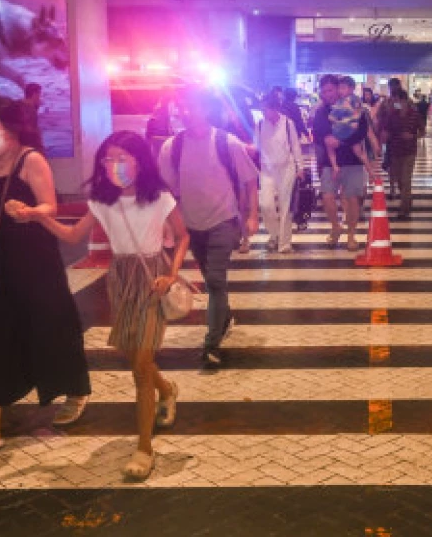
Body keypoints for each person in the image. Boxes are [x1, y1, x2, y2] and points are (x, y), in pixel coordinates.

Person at [32, 130, 189, 480]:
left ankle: (144, 449)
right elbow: (73, 236)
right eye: (108, 159)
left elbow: (182, 235)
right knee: (136, 358)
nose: (114, 165)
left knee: (140, 366)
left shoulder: (158, 197)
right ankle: (167, 390)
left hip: (152, 280)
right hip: (121, 278)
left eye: (121, 158)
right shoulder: (102, 201)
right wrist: (39, 217)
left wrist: (173, 275)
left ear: (139, 160)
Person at [0, 99, 90, 454]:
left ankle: (75, 390)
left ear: (13, 127)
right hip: (1, 265)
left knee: (52, 326)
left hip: (36, 262)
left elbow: (50, 205)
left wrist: (30, 211)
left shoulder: (31, 160)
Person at [158, 86, 259, 370]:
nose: (187, 112)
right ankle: (224, 317)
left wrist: (252, 215)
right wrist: (167, 224)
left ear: (206, 109)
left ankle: (211, 343)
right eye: (183, 107)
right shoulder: (172, 148)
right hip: (190, 227)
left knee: (215, 279)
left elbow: (251, 180)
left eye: (193, 106)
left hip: (223, 222)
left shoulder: (227, 143)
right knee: (211, 278)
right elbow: (166, 190)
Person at [312, 74, 369, 252]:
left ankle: (351, 234)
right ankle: (336, 226)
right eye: (324, 91)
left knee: (353, 198)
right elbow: (317, 131)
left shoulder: (353, 105)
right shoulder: (321, 110)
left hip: (352, 160)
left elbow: (362, 130)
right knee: (327, 195)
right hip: (329, 162)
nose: (327, 94)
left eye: (330, 89)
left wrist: (342, 141)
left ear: (338, 88)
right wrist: (326, 139)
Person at [255, 93, 304, 253]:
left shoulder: (288, 123)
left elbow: (295, 146)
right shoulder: (260, 124)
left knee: (285, 205)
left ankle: (284, 243)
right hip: (266, 169)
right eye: (262, 109)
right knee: (265, 204)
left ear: (275, 108)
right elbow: (256, 146)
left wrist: (300, 167)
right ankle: (274, 234)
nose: (263, 112)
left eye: (265, 109)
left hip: (286, 168)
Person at [325, 75, 376, 179]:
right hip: (352, 130)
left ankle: (335, 166)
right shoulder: (356, 100)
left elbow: (334, 115)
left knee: (329, 144)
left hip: (344, 130)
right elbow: (358, 113)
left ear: (351, 88)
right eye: (339, 88)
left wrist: (334, 119)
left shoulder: (344, 101)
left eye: (343, 88)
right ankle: (371, 172)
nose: (340, 91)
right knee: (359, 152)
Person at [384, 89, 421, 220]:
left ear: (404, 101)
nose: (395, 103)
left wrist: (412, 136)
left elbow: (421, 131)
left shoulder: (414, 114)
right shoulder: (392, 115)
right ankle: (408, 199)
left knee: (406, 180)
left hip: (409, 151)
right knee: (399, 180)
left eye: (397, 101)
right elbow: (386, 131)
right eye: (394, 101)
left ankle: (403, 209)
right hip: (395, 151)